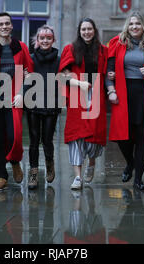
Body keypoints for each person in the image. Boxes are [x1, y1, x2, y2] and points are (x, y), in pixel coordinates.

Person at [105, 10, 144, 192]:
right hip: (123, 92)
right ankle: (130, 163)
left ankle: (138, 180)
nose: (134, 27)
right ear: (127, 26)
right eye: (131, 24)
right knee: (123, 137)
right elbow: (109, 71)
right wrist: (111, 90)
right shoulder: (118, 43)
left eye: (138, 24)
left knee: (143, 136)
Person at [0, 12, 34, 192]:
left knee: (15, 135)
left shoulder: (21, 47)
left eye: (7, 23)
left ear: (11, 26)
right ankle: (1, 176)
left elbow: (29, 74)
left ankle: (15, 161)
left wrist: (22, 93)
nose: (4, 27)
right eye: (0, 24)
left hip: (14, 97)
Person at [59, 18, 108, 190]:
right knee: (76, 136)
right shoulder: (70, 49)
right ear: (79, 31)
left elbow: (108, 71)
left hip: (95, 94)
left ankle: (92, 162)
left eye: (89, 29)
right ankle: (78, 177)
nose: (86, 32)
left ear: (94, 31)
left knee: (94, 137)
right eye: (83, 29)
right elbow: (63, 75)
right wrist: (79, 83)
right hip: (77, 94)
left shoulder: (102, 50)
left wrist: (111, 77)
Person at [24, 25, 62, 190]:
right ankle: (33, 171)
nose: (45, 40)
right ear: (37, 40)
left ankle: (49, 162)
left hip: (52, 103)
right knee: (33, 139)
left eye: (48, 38)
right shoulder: (30, 58)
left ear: (53, 40)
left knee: (47, 139)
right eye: (42, 38)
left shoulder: (59, 60)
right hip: (33, 102)